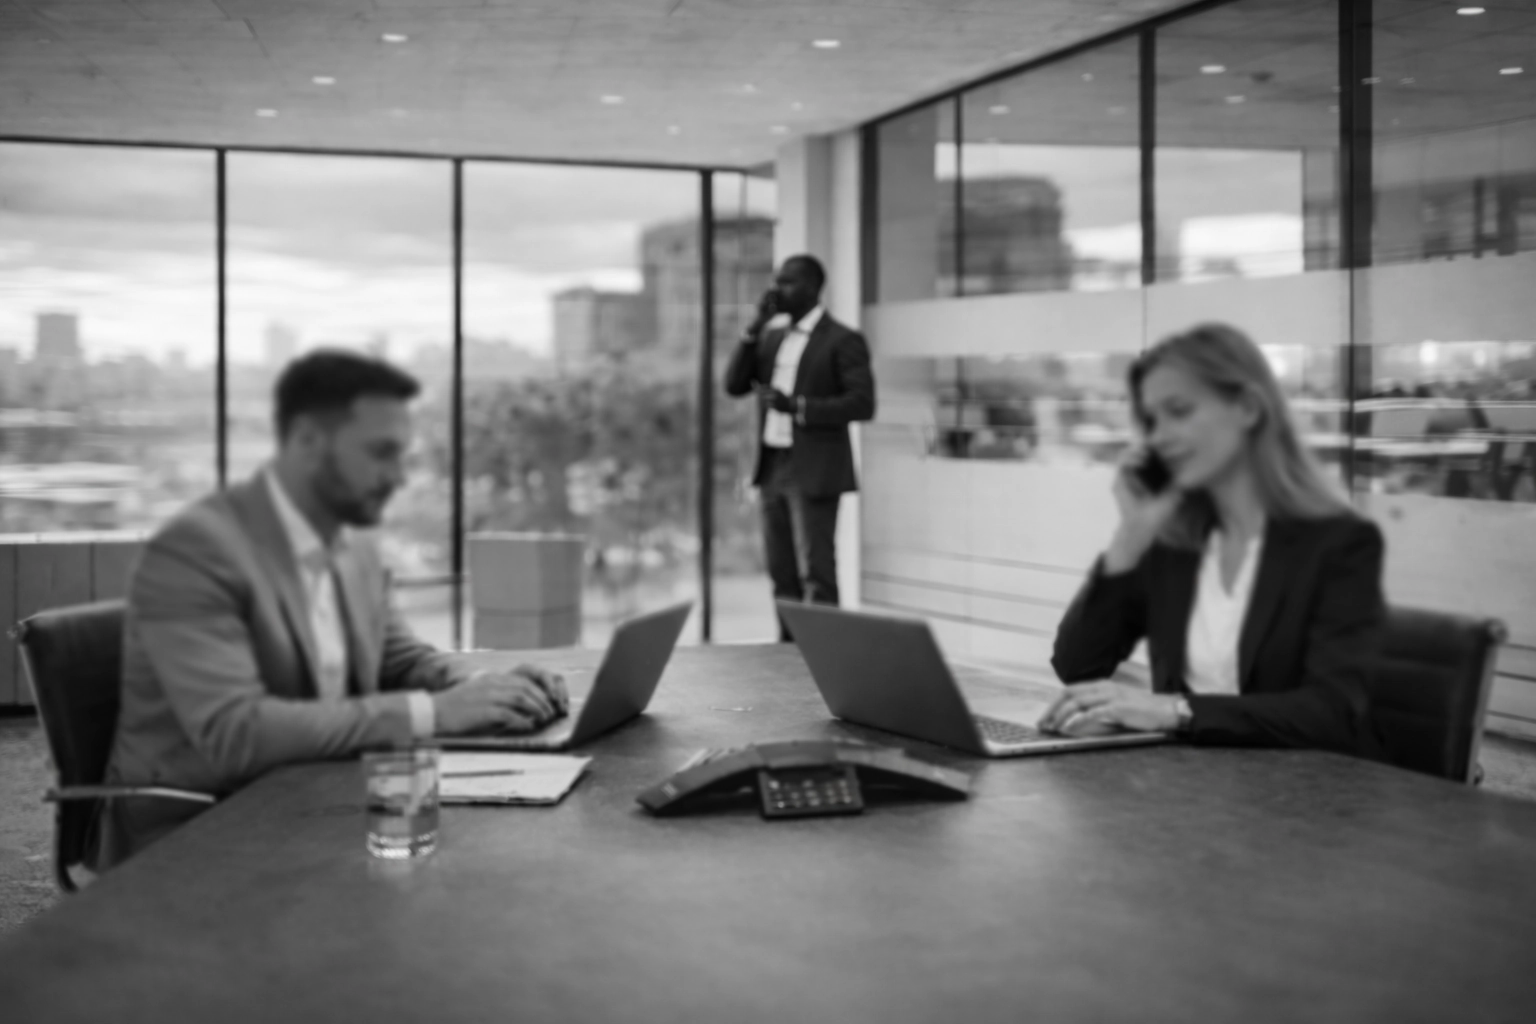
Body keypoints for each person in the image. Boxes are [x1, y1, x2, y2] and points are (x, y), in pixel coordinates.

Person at [97, 350, 569, 867]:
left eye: (402, 456)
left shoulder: (355, 546)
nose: (398, 477)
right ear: (306, 442)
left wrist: (481, 687)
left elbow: (400, 660)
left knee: (502, 873)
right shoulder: (195, 553)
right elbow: (236, 733)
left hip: (320, 799)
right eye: (381, 453)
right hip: (197, 832)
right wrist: (436, 712)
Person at [1042, 323, 1387, 759]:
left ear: (1246, 407)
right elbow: (1077, 666)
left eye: (1179, 411)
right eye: (1152, 420)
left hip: (1305, 799)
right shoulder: (1175, 541)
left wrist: (1176, 711)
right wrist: (1130, 537)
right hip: (1193, 787)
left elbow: (1332, 713)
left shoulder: (1339, 543)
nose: (1159, 437)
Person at [724, 254, 875, 640]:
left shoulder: (843, 340)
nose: (777, 289)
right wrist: (754, 327)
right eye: (776, 280)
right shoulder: (772, 337)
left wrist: (797, 406)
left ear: (811, 287)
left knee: (817, 574)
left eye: (787, 282)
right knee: (782, 573)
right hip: (773, 466)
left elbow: (862, 403)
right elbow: (734, 384)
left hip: (815, 469)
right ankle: (788, 661)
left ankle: (827, 662)